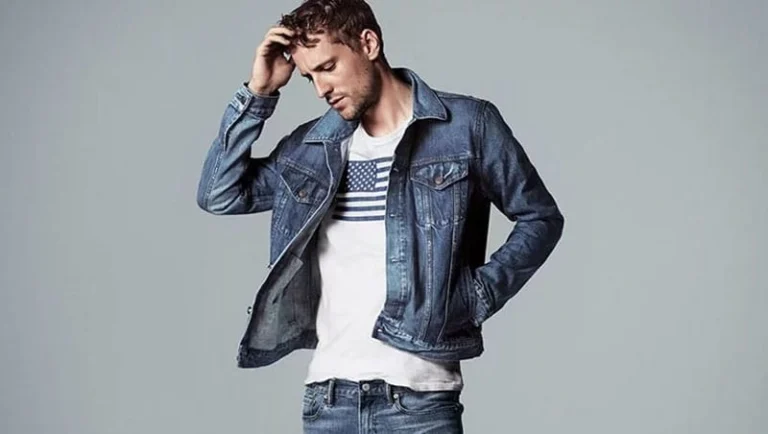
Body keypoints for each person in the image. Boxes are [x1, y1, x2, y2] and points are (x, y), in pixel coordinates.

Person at [196, 0, 564, 432]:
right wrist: (259, 93)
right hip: (328, 403)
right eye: (310, 77)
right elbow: (219, 194)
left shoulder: (466, 126)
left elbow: (540, 218)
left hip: (420, 404)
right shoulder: (310, 150)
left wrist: (476, 295)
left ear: (368, 44)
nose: (321, 89)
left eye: (328, 67)